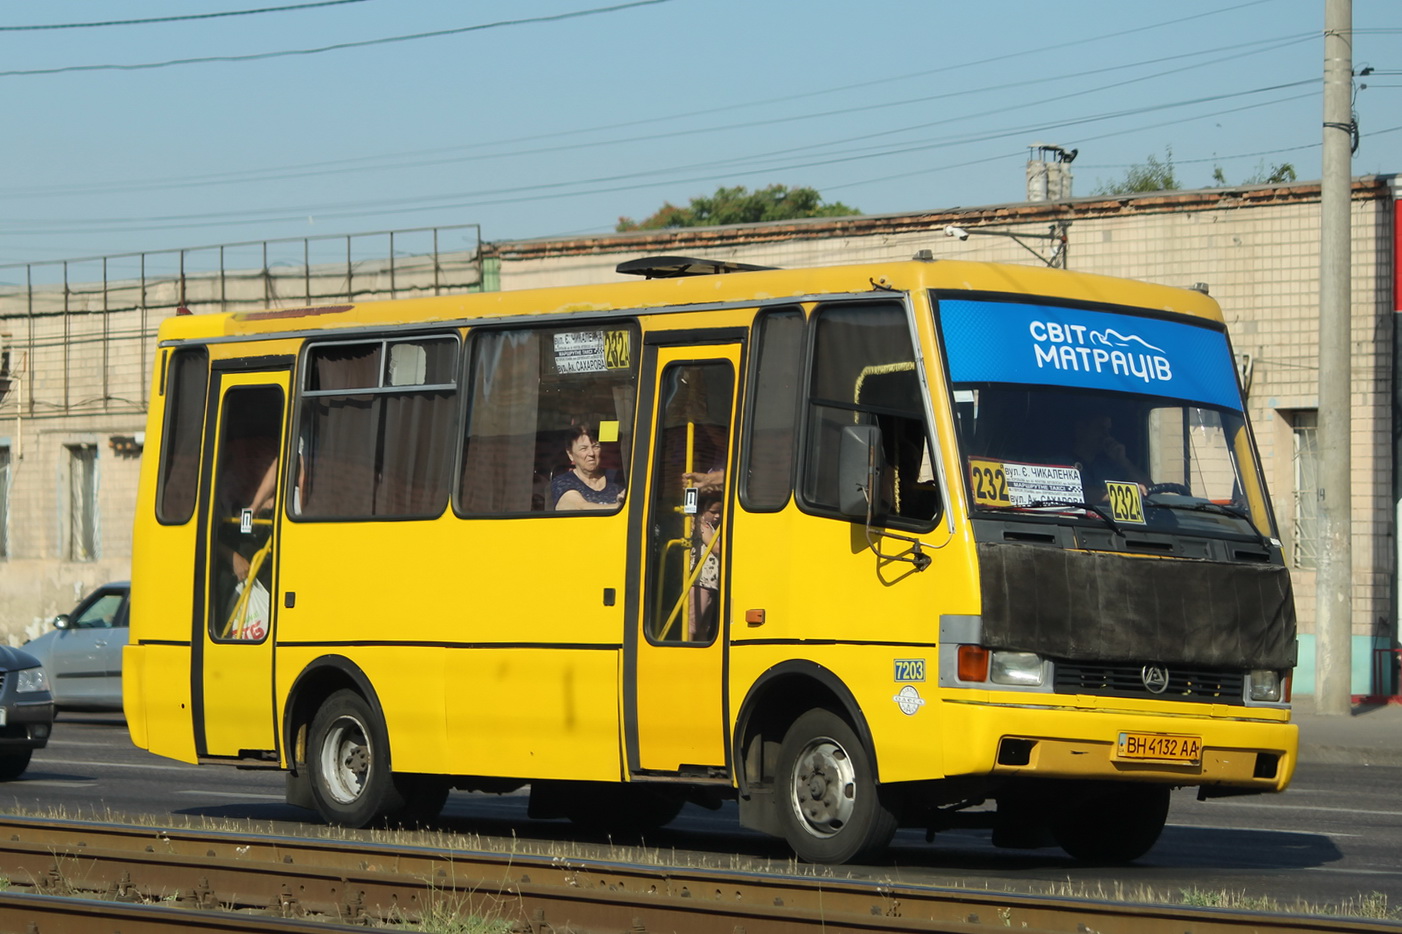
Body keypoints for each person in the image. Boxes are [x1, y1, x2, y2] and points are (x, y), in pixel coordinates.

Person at [1068, 413, 1150, 499]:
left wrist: (1124, 462)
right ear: (1081, 429)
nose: (1106, 435)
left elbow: (1149, 491)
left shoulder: (1108, 468)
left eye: (1108, 430)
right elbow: (1070, 491)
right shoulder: (1061, 462)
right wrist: (1122, 494)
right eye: (1100, 428)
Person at [551, 425, 625, 511]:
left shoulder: (617, 477)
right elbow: (580, 508)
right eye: (583, 448)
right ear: (570, 454)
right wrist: (621, 507)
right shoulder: (562, 482)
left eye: (595, 447)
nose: (591, 453)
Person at [689, 491, 722, 640]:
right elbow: (715, 548)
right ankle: (687, 648)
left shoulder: (713, 527)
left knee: (704, 626)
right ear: (704, 510)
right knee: (693, 624)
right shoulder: (702, 525)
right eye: (713, 512)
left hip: (711, 582)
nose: (717, 516)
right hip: (700, 581)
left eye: (720, 512)